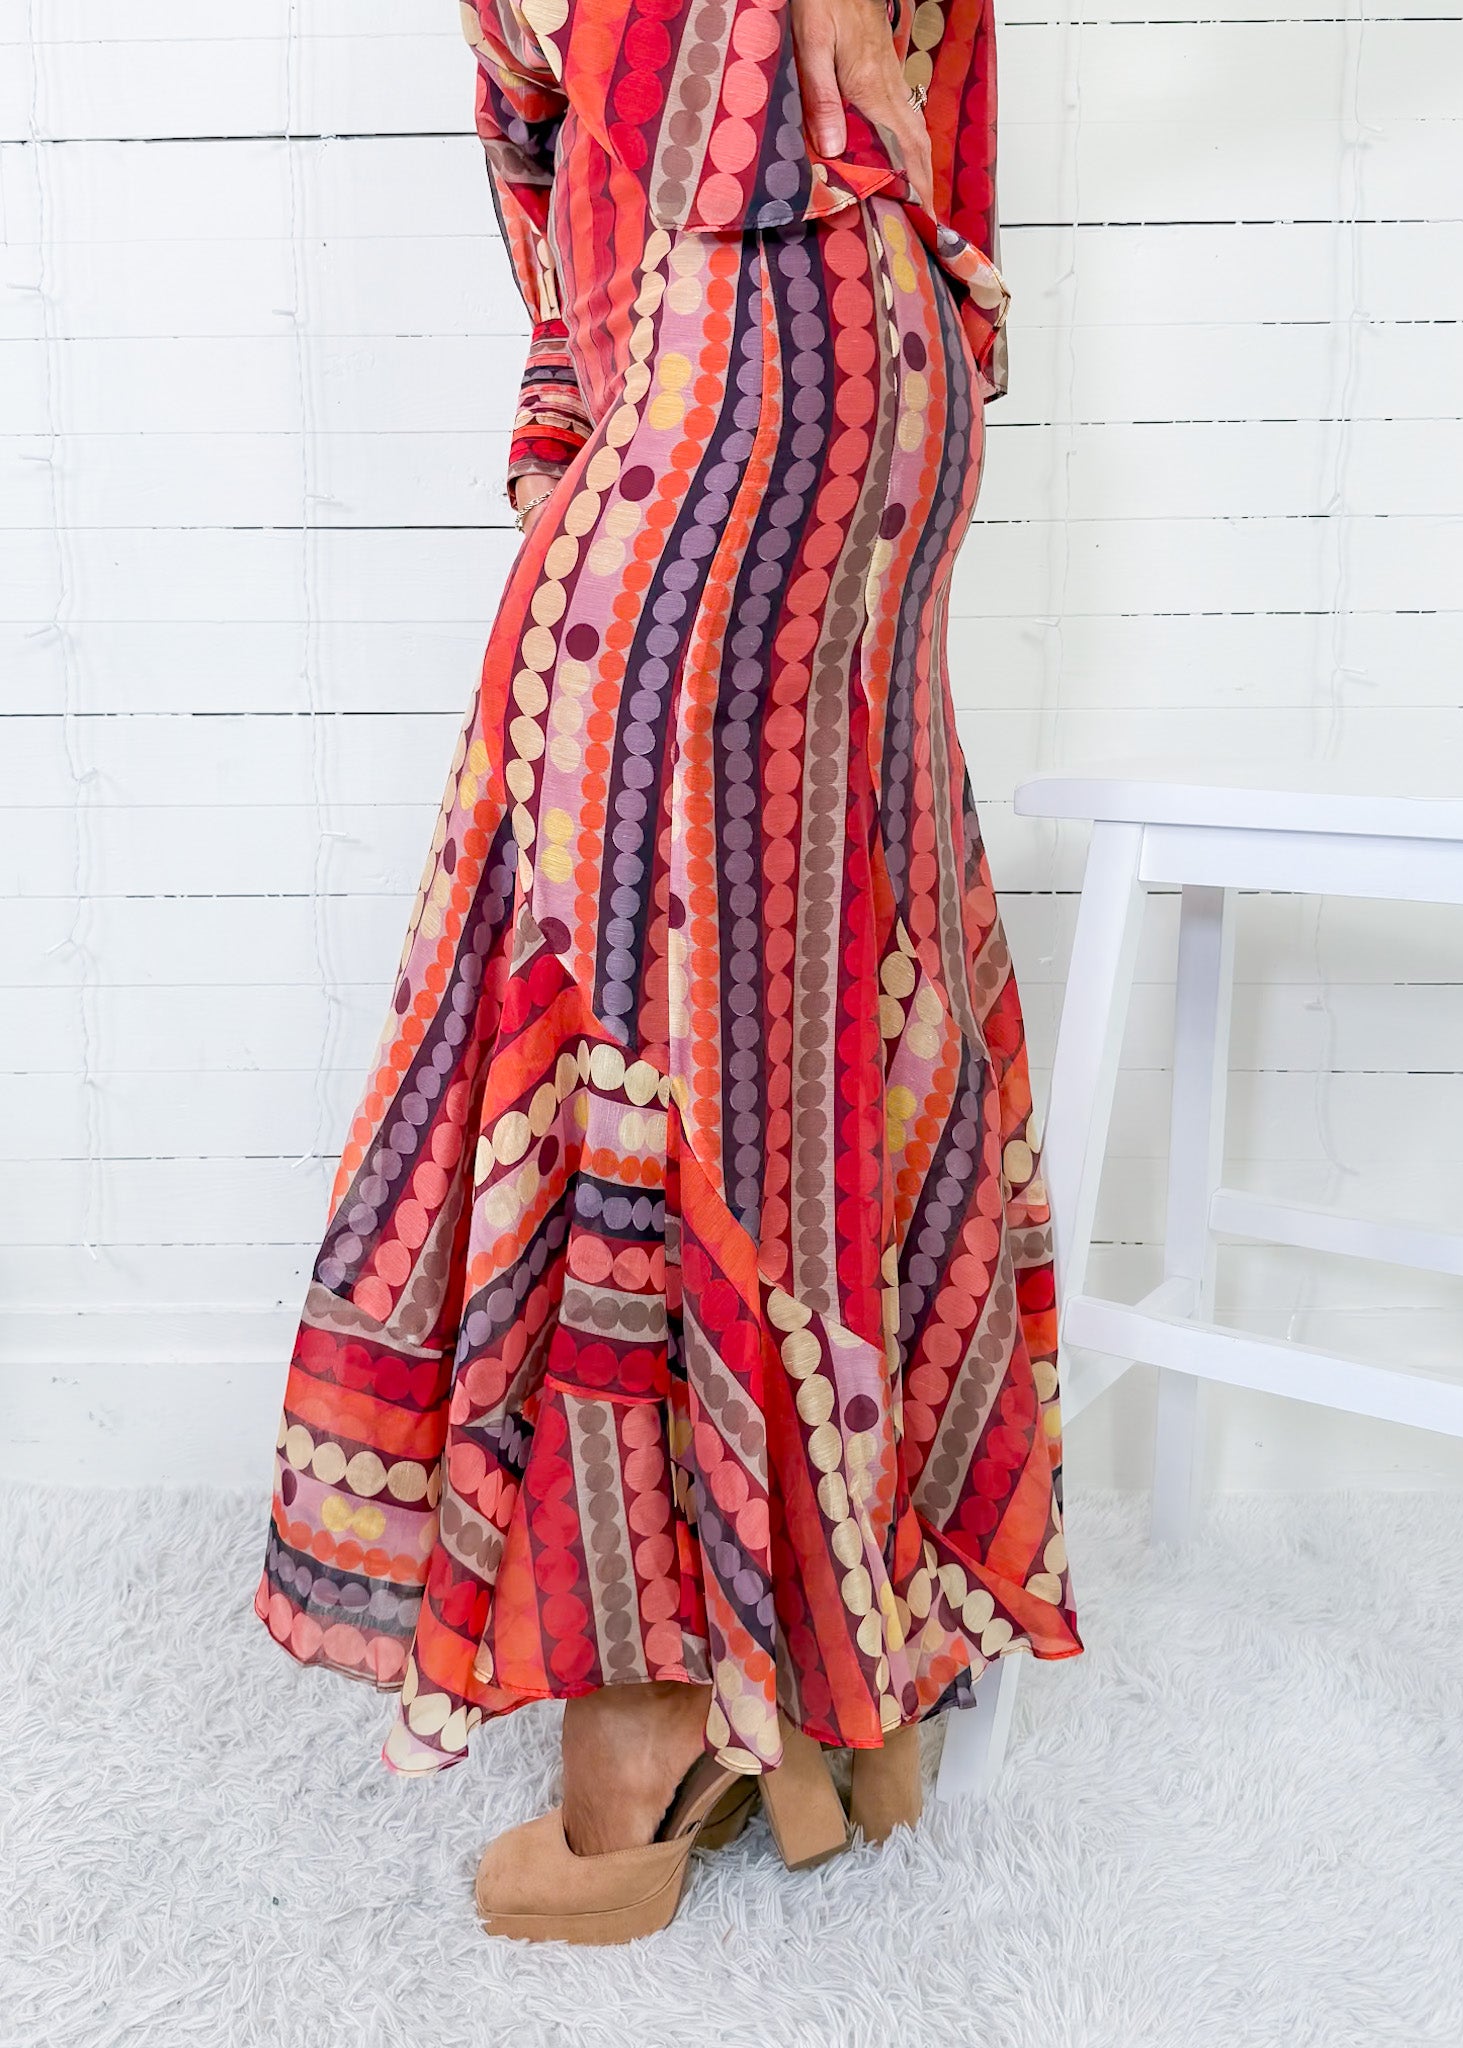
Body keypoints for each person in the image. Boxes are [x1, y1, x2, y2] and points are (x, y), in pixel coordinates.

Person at [254, 0, 1082, 1943]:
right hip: (804, 351)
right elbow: (559, 149)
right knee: (778, 988)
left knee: (647, 990)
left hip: (767, 334)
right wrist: (566, 431)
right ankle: (832, 1676)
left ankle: (648, 1729)